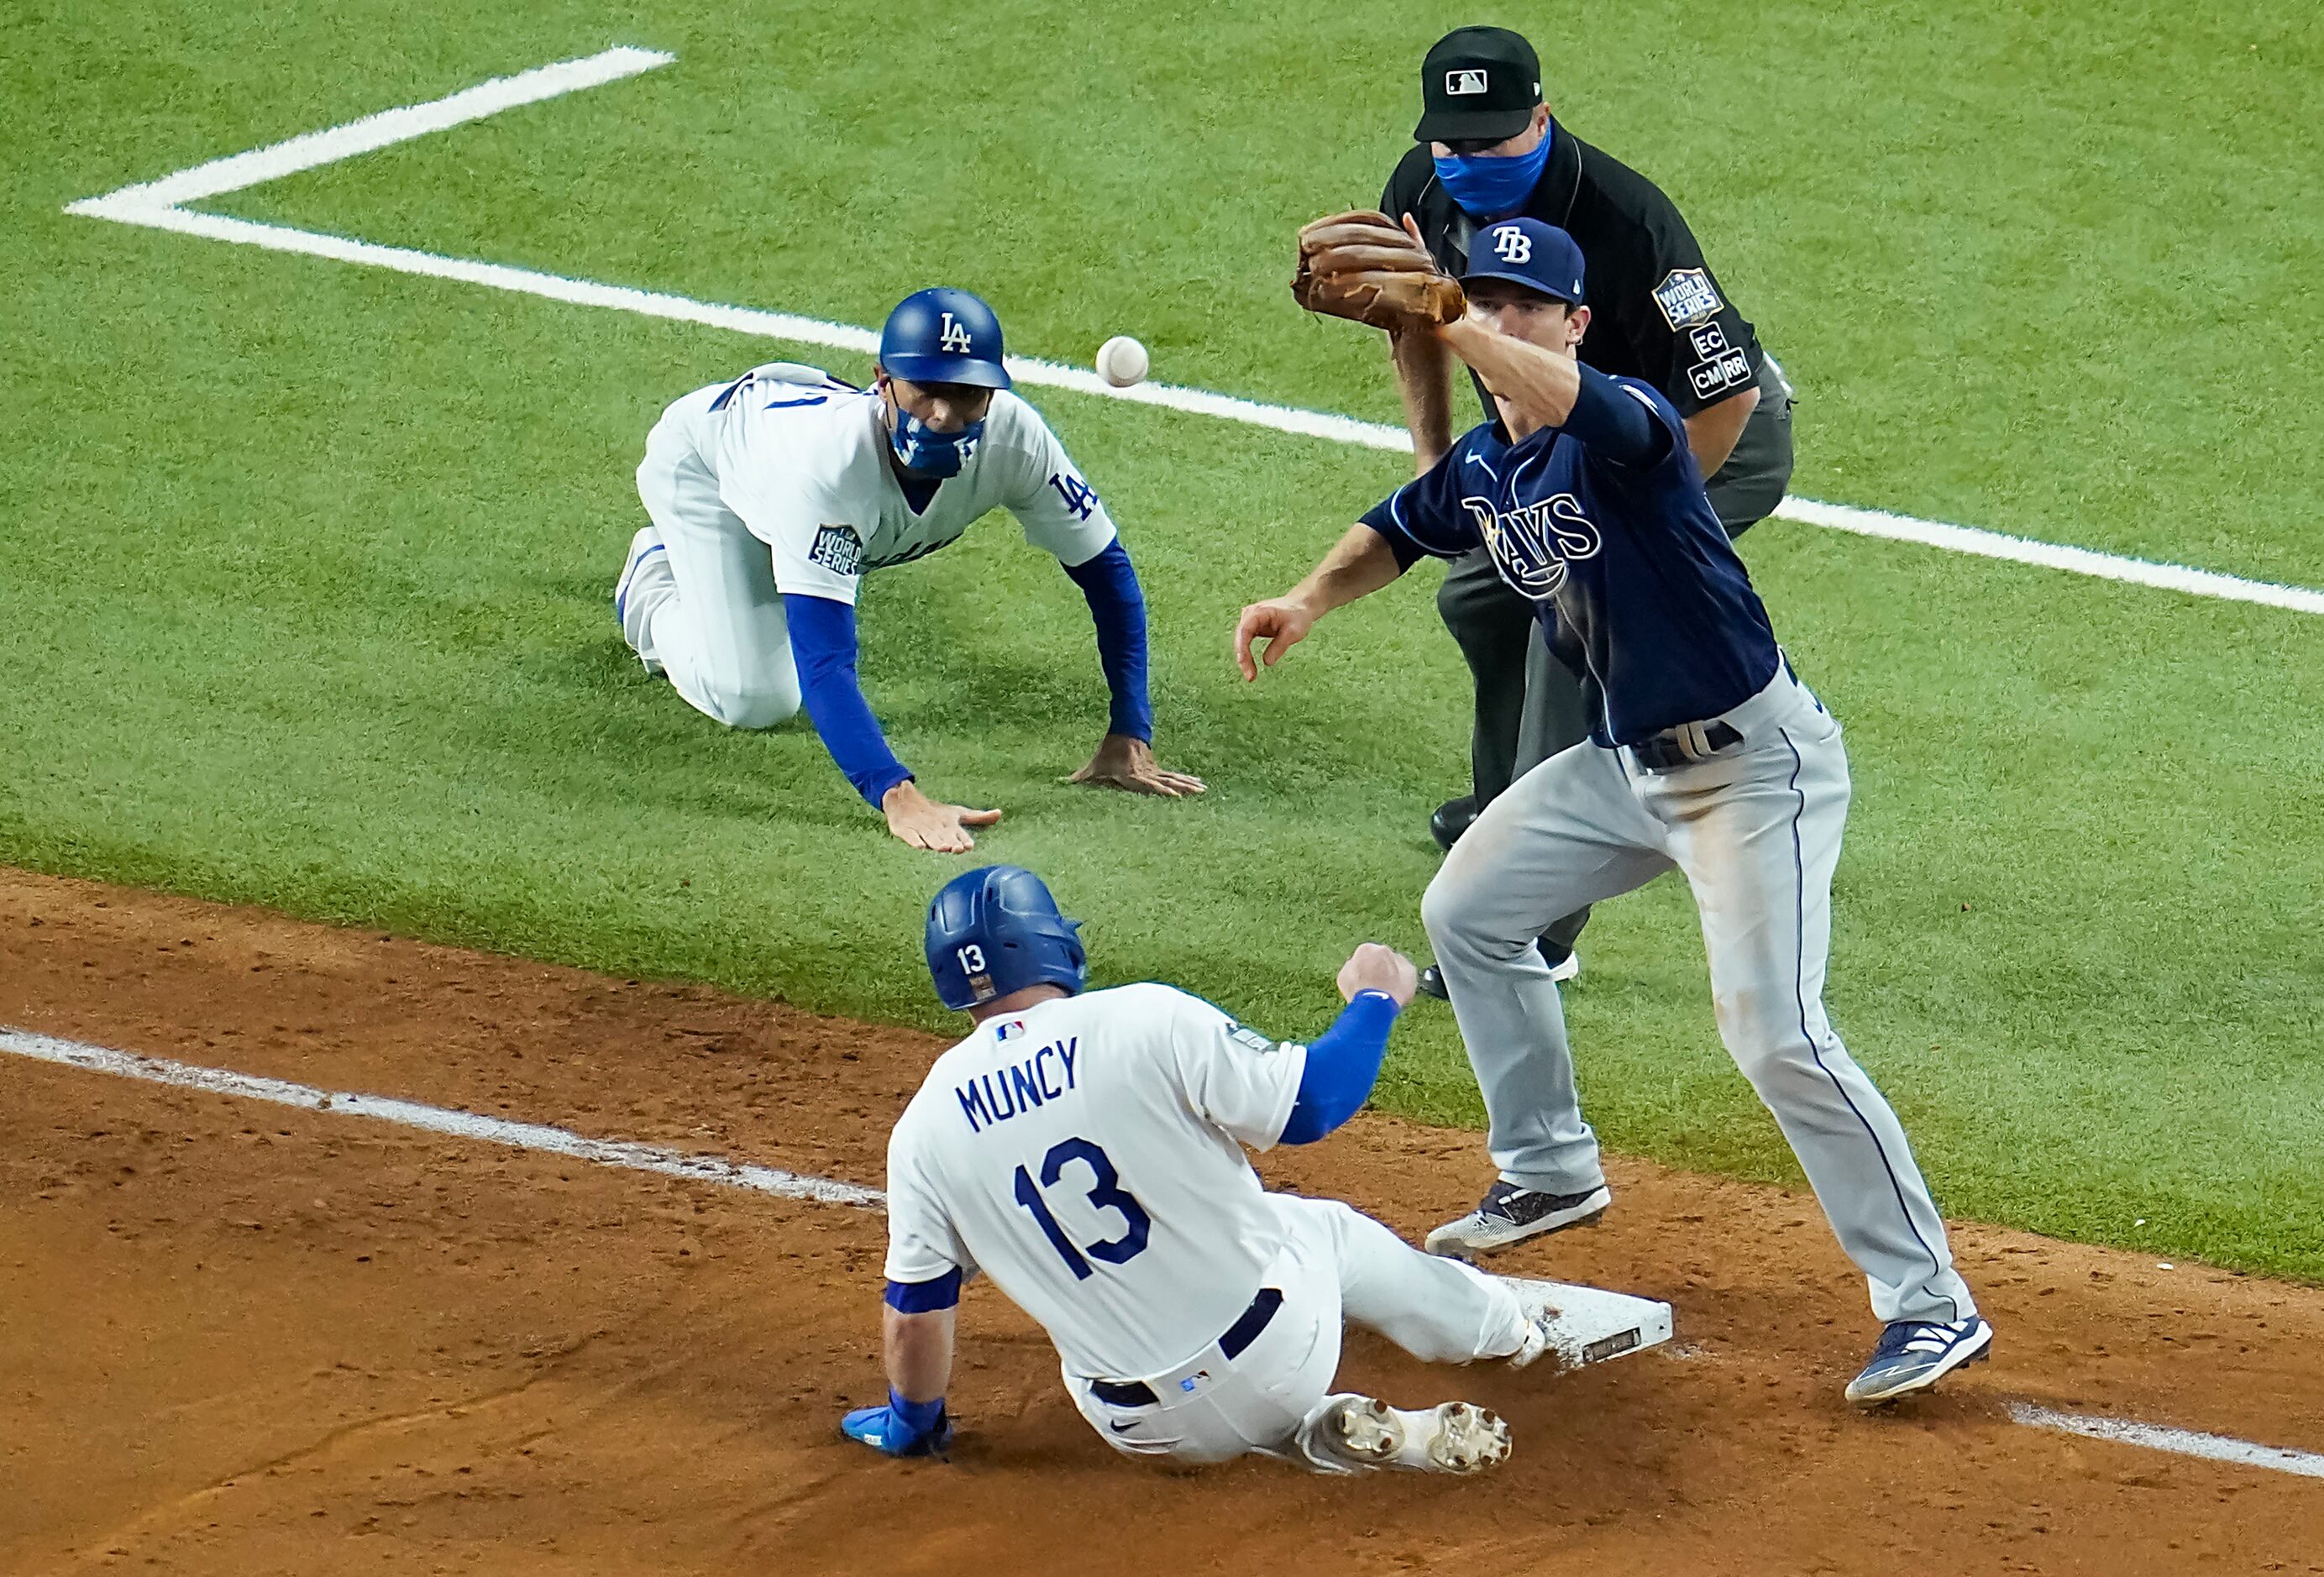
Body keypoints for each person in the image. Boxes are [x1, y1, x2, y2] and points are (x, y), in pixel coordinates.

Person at [1241, 217, 1989, 1406]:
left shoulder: (1625, 425)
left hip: (1752, 771)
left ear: (1573, 323)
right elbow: (1400, 522)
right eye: (1484, 299)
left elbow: (1552, 387)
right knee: (1468, 910)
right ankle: (1544, 1168)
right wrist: (1303, 597)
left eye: (1525, 306)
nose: (1502, 320)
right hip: (1623, 764)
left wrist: (1450, 321)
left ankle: (1927, 1302)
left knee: (1774, 1035)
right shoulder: (1491, 467)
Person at [839, 864, 1569, 1472]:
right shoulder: (1140, 1019)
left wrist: (912, 1425)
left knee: (1123, 1352)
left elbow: (917, 1310)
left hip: (1139, 1432)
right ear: (1050, 945)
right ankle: (1507, 1331)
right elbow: (1312, 1104)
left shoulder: (923, 1128)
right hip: (1284, 1348)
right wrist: (1376, 999)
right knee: (1319, 1229)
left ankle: (1327, 1434)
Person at [1381, 26, 1795, 991]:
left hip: (1704, 442)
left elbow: (1724, 391)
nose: (1471, 161)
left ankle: (1535, 928)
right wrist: (1443, 469)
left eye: (1494, 140)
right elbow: (1415, 318)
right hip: (1546, 451)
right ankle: (1507, 813)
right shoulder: (1420, 190)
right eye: (1455, 144)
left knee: (1570, 623)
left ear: (1541, 115)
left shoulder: (1628, 223)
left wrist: (1645, 525)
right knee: (1478, 598)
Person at [614, 287, 1204, 852]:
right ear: (884, 382)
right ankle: (651, 582)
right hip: (708, 468)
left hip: (787, 459)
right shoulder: (828, 473)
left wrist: (1131, 730)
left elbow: (1106, 574)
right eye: (925, 390)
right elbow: (824, 660)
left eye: (967, 394)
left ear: (994, 396)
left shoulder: (1017, 441)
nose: (944, 415)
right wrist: (895, 793)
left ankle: (748, 574)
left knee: (800, 588)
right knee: (752, 696)